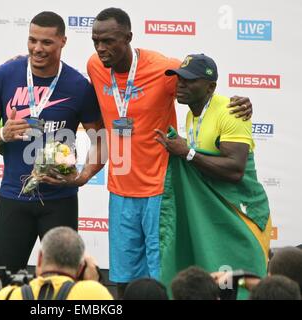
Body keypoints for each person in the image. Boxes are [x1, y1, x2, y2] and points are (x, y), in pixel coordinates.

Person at [86, 7, 253, 298]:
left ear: (128, 38)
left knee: (159, 275)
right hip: (120, 188)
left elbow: (202, 87)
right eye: (96, 41)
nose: (102, 48)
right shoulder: (94, 65)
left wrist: (240, 104)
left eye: (109, 41)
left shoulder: (163, 69)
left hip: (159, 190)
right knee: (124, 277)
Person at [0, 11, 105, 273]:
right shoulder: (3, 76)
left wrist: (82, 177)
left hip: (60, 200)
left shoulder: (79, 86)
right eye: (32, 40)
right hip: (14, 196)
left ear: (63, 42)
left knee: (62, 278)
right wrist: (2, 134)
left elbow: (99, 139)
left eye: (46, 42)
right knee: (6, 277)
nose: (37, 48)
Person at [155, 54, 271, 299]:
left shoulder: (232, 111)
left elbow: (235, 170)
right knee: (217, 286)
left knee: (242, 286)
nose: (181, 85)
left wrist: (186, 153)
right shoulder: (191, 114)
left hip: (242, 215)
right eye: (179, 79)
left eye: (189, 80)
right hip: (215, 216)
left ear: (211, 87)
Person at [0, 226, 113, 300]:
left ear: (40, 258)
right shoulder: (94, 293)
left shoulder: (8, 295)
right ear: (81, 268)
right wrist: (94, 281)